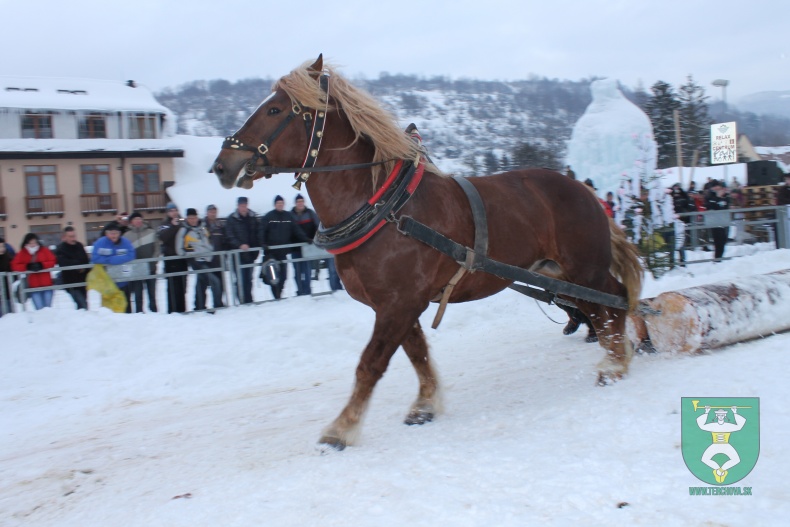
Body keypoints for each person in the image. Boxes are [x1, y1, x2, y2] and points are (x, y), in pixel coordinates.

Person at [259, 195, 312, 299]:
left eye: (281, 203)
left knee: (284, 277)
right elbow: (261, 230)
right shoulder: (269, 217)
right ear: (275, 204)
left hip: (283, 253)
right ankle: (276, 296)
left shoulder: (288, 216)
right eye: (278, 203)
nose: (280, 205)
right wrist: (263, 243)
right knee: (274, 277)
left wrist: (306, 238)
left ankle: (279, 294)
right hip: (271, 253)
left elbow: (296, 229)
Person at [176, 208, 224, 311]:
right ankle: (218, 306)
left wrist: (210, 250)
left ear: (197, 217)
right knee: (215, 282)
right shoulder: (184, 230)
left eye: (194, 218)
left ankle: (199, 306)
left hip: (208, 258)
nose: (192, 220)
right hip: (196, 260)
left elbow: (209, 240)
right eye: (190, 218)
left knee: (202, 284)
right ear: (187, 218)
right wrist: (189, 254)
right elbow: (179, 249)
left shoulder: (203, 228)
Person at [225, 196, 260, 304]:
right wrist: (239, 245)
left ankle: (249, 299)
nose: (243, 208)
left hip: (251, 253)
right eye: (241, 206)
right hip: (238, 255)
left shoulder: (253, 217)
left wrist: (256, 248)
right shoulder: (231, 219)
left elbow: (257, 233)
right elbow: (229, 236)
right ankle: (241, 299)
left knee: (249, 278)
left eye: (244, 206)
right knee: (240, 279)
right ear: (238, 206)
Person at [124, 212, 159, 313]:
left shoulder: (151, 232)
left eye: (140, 219)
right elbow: (125, 252)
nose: (138, 221)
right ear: (131, 222)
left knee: (152, 294)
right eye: (136, 219)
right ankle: (139, 313)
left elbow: (157, 248)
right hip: (136, 270)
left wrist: (154, 261)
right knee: (138, 295)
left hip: (150, 268)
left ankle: (155, 313)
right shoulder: (127, 236)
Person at [11, 233, 57, 310]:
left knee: (48, 309)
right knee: (39, 309)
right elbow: (14, 265)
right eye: (31, 243)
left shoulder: (44, 250)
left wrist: (42, 265)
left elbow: (53, 261)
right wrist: (26, 266)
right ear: (26, 243)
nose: (33, 244)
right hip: (33, 286)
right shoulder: (23, 253)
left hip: (47, 284)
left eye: (34, 242)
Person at [91, 221, 137, 298]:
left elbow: (131, 255)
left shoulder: (125, 242)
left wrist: (116, 260)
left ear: (119, 233)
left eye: (116, 233)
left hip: (123, 281)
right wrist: (109, 260)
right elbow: (95, 258)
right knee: (109, 307)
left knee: (126, 304)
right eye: (111, 233)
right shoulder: (100, 243)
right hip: (106, 281)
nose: (114, 235)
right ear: (106, 234)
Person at [158, 202, 188, 313]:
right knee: (172, 286)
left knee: (183, 285)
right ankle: (172, 310)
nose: (174, 212)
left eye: (175, 210)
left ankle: (182, 309)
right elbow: (163, 237)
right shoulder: (164, 224)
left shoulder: (182, 222)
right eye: (171, 210)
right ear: (167, 212)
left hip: (182, 258)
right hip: (170, 258)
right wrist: (173, 226)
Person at [290, 194, 319, 296]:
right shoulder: (291, 215)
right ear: (295, 203)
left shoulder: (310, 213)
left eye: (302, 201)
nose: (300, 203)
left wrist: (314, 239)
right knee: (297, 271)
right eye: (298, 202)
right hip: (295, 248)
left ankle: (307, 290)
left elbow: (318, 225)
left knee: (307, 270)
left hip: (308, 247)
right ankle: (299, 290)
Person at [54, 226, 90, 309]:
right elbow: (63, 263)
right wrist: (77, 265)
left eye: (74, 236)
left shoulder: (79, 245)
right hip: (71, 282)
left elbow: (85, 259)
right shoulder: (61, 249)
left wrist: (84, 268)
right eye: (70, 236)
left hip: (83, 280)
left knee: (84, 303)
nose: (73, 238)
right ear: (64, 237)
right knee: (82, 304)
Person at [204, 204, 226, 304]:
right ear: (207, 213)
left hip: (219, 259)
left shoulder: (220, 225)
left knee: (220, 283)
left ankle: (218, 303)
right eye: (211, 212)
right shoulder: (202, 225)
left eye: (214, 212)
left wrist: (225, 254)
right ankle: (202, 305)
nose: (213, 214)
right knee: (205, 284)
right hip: (206, 260)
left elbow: (225, 241)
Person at [704, 180, 730, 261]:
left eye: (718, 186)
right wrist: (718, 198)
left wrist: (723, 198)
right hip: (714, 222)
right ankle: (717, 258)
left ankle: (719, 257)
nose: (717, 188)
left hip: (724, 220)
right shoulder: (710, 195)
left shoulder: (724, 195)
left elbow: (726, 206)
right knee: (718, 241)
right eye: (715, 186)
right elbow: (711, 206)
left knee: (724, 239)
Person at [0, 238, 14, 316]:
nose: (1, 249)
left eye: (2, 246)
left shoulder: (8, 257)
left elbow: (14, 267)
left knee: (9, 314)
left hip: (7, 290)